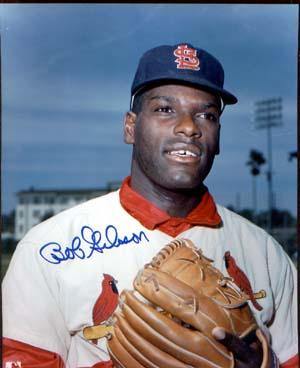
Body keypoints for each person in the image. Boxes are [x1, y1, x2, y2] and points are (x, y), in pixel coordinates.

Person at [3, 43, 298, 368]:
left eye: (207, 115)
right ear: (130, 127)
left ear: (218, 135)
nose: (189, 127)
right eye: (164, 109)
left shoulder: (266, 255)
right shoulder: (47, 247)